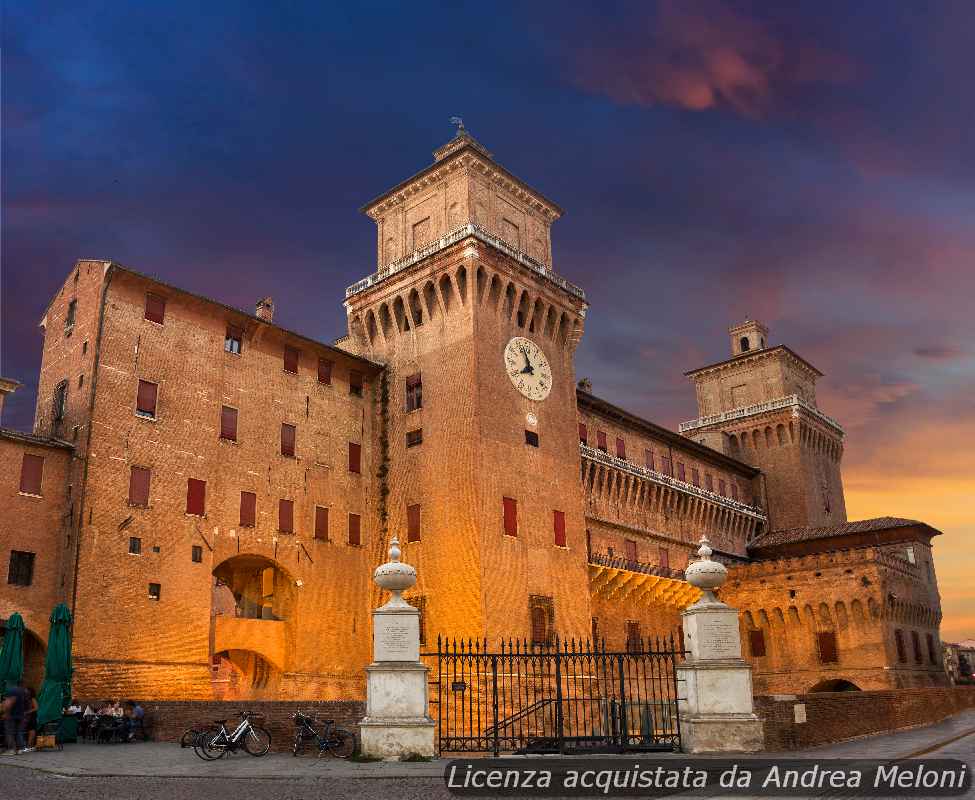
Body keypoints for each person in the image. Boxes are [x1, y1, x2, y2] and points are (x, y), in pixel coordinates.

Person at [1, 682, 28, 755]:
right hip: (21, 715)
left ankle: (11, 749)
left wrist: (6, 713)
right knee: (19, 732)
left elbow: (9, 703)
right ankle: (20, 749)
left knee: (9, 732)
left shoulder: (11, 691)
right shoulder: (23, 691)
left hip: (12, 715)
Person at [20, 687, 38, 751]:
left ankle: (29, 745)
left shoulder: (32, 699)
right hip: (28, 717)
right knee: (29, 730)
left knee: (31, 730)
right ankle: (28, 745)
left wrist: (27, 712)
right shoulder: (26, 699)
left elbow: (36, 708)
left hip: (32, 716)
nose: (25, 692)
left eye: (27, 691)